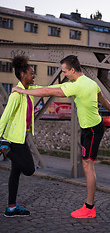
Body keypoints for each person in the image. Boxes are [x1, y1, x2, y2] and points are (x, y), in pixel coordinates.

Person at [12, 55, 110, 218]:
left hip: (92, 130)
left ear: (72, 70)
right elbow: (102, 99)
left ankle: (89, 208)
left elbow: (49, 91)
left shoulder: (77, 86)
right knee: (86, 164)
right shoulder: (90, 83)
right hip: (90, 128)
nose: (64, 74)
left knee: (89, 167)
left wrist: (22, 90)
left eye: (64, 71)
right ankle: (89, 206)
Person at [0, 55, 42, 217]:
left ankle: (11, 208)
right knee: (29, 169)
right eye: (32, 73)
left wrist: (68, 85)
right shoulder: (16, 94)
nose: (34, 75)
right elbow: (5, 116)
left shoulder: (28, 90)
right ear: (23, 74)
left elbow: (46, 89)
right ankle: (5, 150)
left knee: (15, 173)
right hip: (14, 139)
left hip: (20, 136)